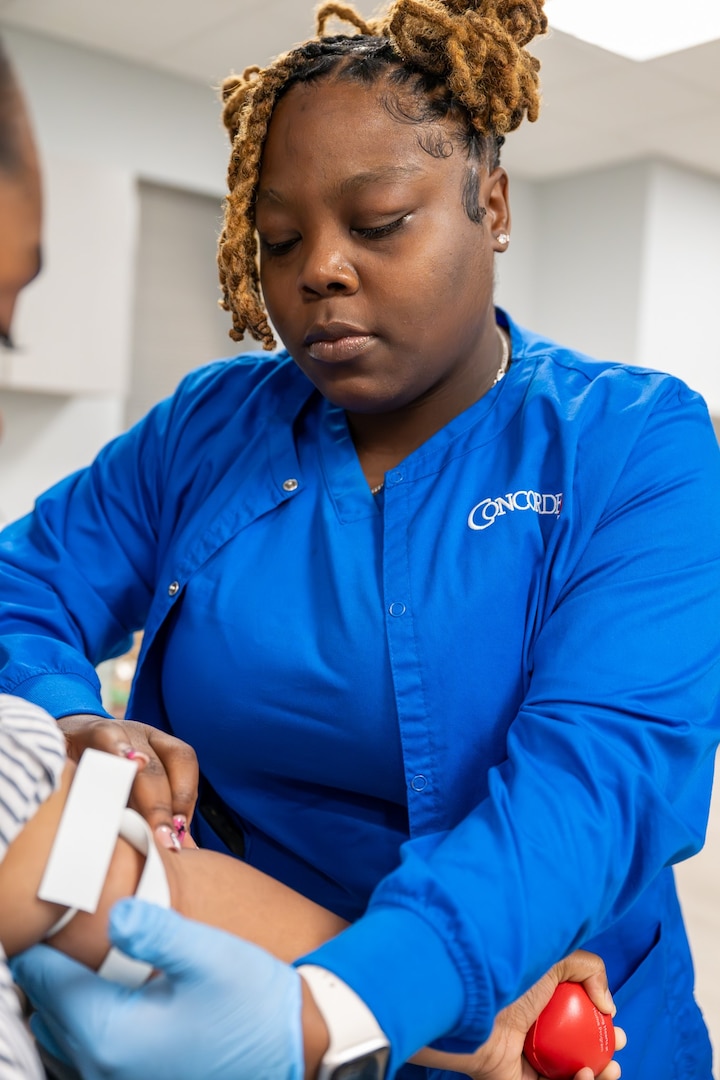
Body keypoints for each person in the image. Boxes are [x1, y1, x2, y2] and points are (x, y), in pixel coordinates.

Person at [4, 0, 720, 1075]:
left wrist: (336, 1011)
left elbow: (596, 779)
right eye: (281, 239)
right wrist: (73, 718)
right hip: (233, 971)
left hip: (537, 1031)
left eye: (378, 223)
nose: (318, 273)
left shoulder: (630, 444)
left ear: (493, 202)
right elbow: (27, 587)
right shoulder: (211, 429)